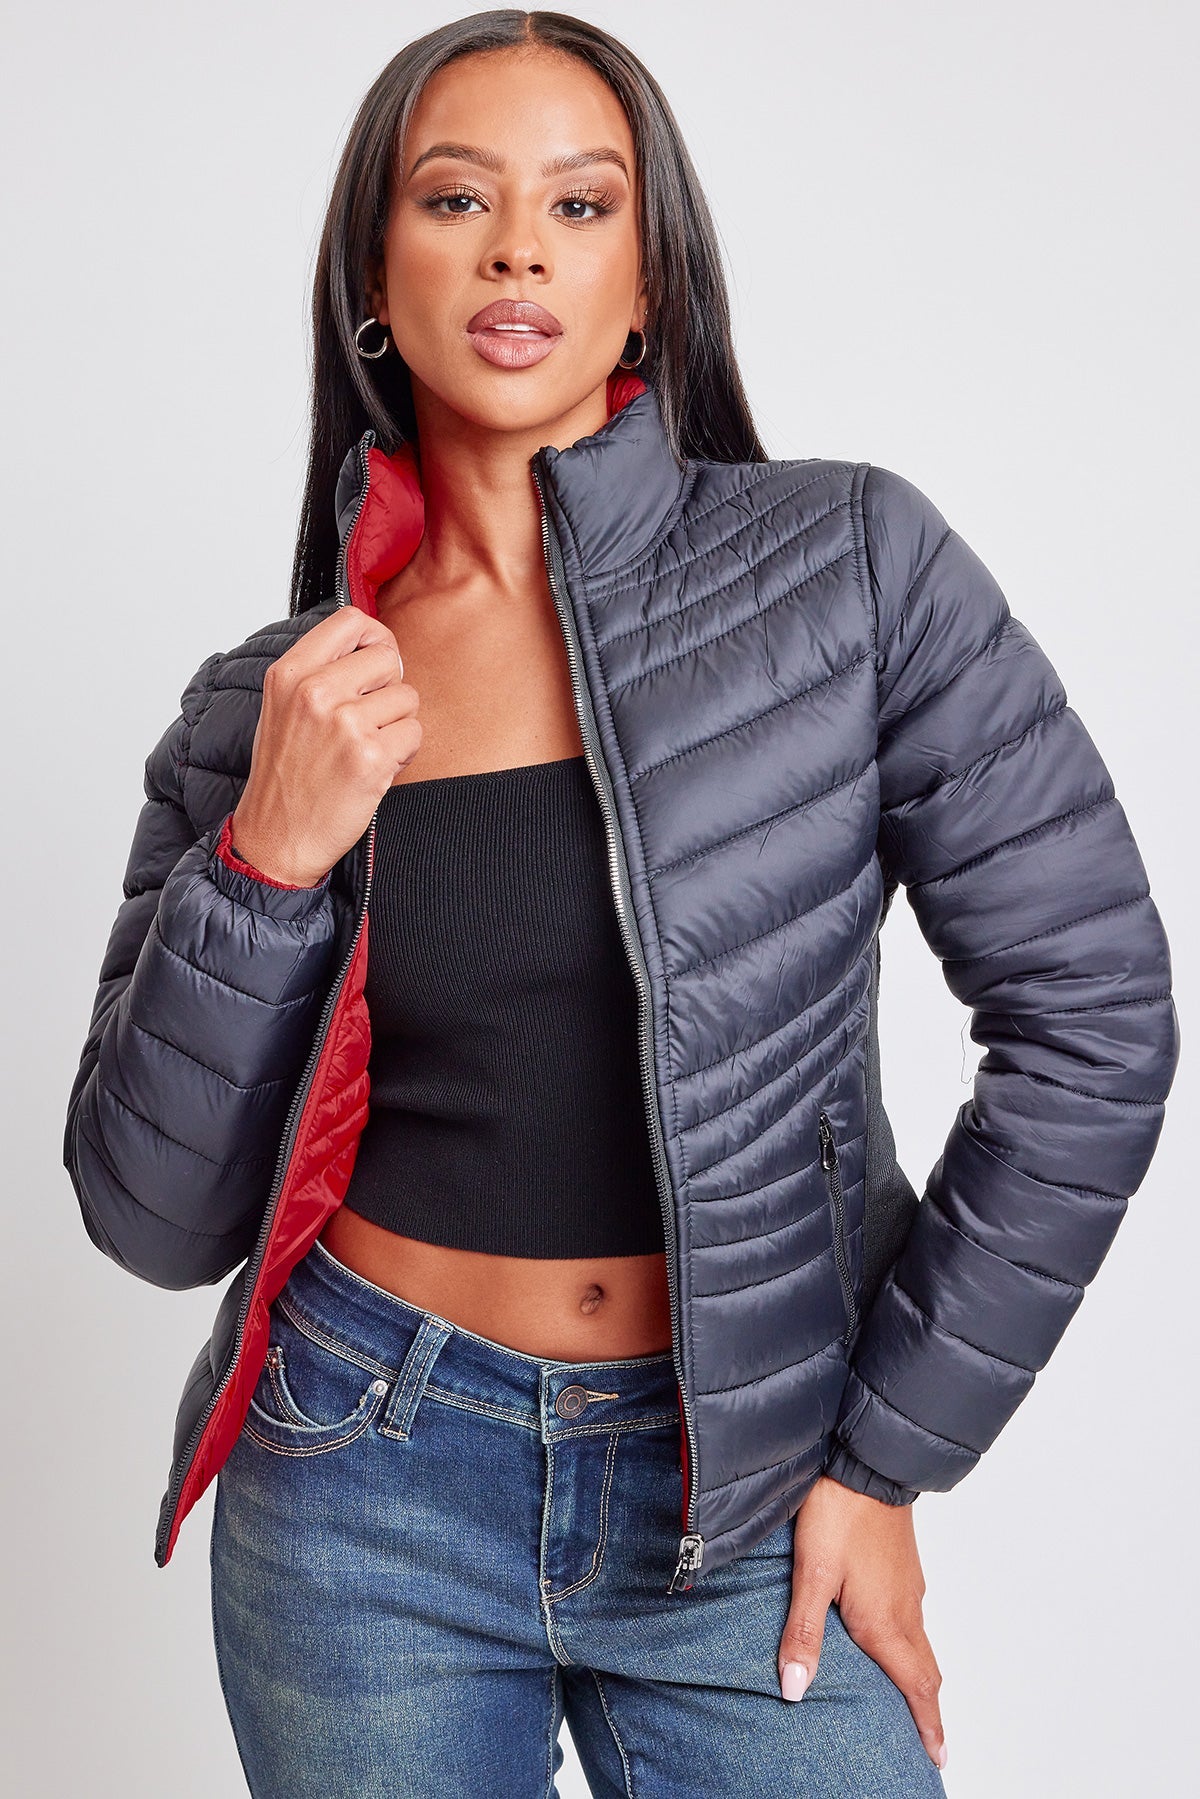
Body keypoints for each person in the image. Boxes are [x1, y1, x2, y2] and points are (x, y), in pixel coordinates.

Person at [62, 12, 1180, 1798]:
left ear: (647, 279)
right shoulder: (266, 706)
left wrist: (886, 1457)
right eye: (457, 199)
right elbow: (152, 1215)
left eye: (581, 205)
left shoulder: (850, 569)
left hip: (747, 1484)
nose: (518, 248)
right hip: (359, 1482)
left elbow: (1096, 1018)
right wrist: (266, 860)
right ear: (375, 275)